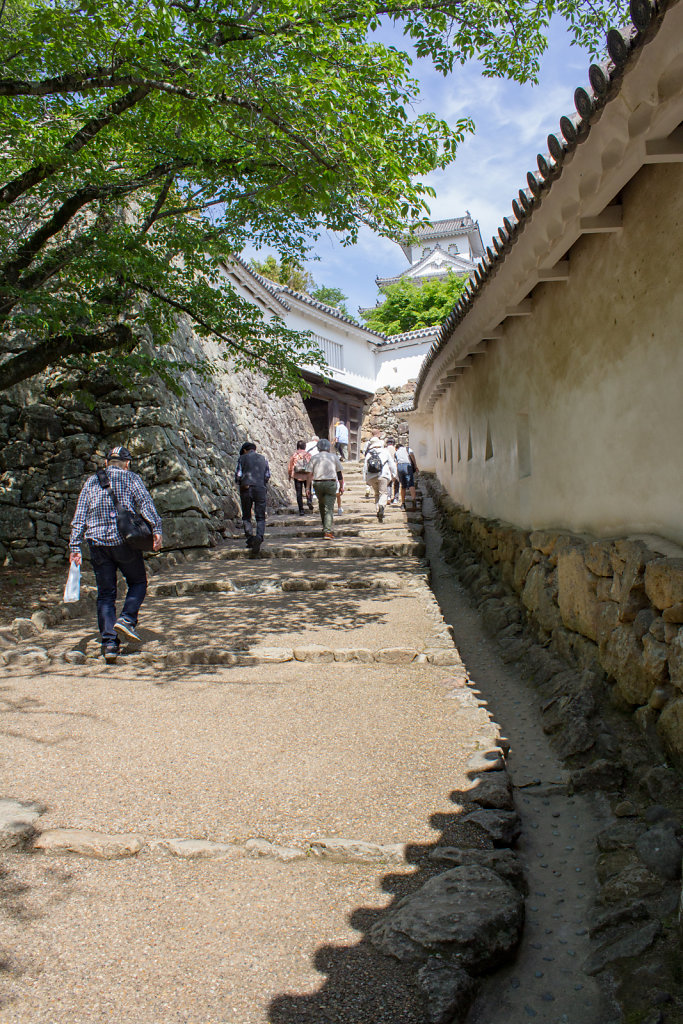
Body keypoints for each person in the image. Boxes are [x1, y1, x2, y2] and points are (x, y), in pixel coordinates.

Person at [69, 445, 162, 664]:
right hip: (124, 542)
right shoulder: (131, 478)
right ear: (127, 463)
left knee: (106, 594)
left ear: (106, 463)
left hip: (97, 544)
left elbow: (79, 515)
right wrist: (156, 529)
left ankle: (109, 644)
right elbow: (145, 504)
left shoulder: (91, 481)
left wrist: (74, 547)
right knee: (138, 582)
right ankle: (127, 619)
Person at [235, 441, 270, 556]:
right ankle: (259, 537)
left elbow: (239, 475)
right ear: (254, 449)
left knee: (246, 515)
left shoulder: (242, 458)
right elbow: (267, 475)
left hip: (246, 488)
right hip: (260, 488)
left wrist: (241, 483)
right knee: (260, 516)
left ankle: (250, 538)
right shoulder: (263, 459)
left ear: (245, 450)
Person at [308, 439, 343, 539]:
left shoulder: (314, 458)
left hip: (318, 484)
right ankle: (327, 531)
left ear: (318, 448)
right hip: (330, 483)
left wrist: (307, 487)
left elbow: (309, 474)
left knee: (322, 505)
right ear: (328, 447)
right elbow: (339, 473)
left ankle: (325, 527)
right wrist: (341, 486)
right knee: (329, 508)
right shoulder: (334, 457)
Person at [363, 437, 396, 522]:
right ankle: (381, 505)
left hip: (371, 476)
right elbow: (391, 464)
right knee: (383, 493)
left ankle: (378, 509)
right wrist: (395, 474)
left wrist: (365, 479)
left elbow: (365, 467)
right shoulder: (385, 452)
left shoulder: (369, 454)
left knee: (376, 493)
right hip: (383, 475)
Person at [288, 440, 313, 515]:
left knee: (298, 493)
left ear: (297, 446)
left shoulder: (295, 455)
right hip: (307, 475)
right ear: (304, 447)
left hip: (297, 475)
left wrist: (290, 475)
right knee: (308, 489)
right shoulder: (308, 454)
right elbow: (311, 465)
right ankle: (309, 500)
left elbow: (290, 466)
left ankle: (301, 510)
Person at [395, 441, 419, 510]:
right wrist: (415, 465)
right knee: (411, 484)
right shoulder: (408, 449)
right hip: (407, 465)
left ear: (397, 448)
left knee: (403, 486)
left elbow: (396, 461)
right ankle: (414, 501)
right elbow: (412, 455)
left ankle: (403, 504)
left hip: (400, 466)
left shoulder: (396, 452)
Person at [385, 437, 400, 505]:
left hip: (387, 467)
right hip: (395, 467)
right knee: (396, 483)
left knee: (388, 483)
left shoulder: (385, 450)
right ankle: (396, 498)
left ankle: (388, 497)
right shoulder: (395, 449)